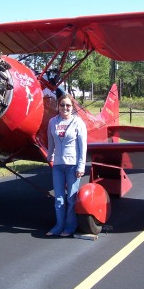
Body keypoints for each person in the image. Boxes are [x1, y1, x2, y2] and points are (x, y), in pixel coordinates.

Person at [46, 93, 87, 236]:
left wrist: (81, 166)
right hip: (58, 165)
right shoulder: (52, 122)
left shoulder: (78, 122)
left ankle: (70, 227)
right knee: (58, 198)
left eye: (68, 105)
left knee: (71, 198)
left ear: (72, 107)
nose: (65, 108)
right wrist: (49, 156)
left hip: (73, 165)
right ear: (58, 106)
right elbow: (50, 142)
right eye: (62, 105)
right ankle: (59, 226)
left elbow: (83, 147)